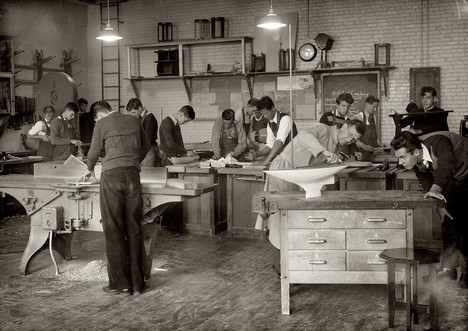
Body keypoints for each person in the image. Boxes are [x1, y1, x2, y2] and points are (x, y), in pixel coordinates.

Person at [264, 119, 366, 275]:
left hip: (299, 178)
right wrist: (325, 152)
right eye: (350, 134)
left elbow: (318, 167)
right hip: (284, 170)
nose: (349, 140)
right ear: (344, 126)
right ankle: (281, 267)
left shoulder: (336, 149)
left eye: (354, 139)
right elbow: (304, 136)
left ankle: (294, 265)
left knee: (295, 221)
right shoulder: (323, 129)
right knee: (280, 218)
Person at [82, 100, 150, 296]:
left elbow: (93, 152)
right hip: (132, 176)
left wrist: (89, 170)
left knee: (113, 229)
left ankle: (120, 284)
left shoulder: (101, 124)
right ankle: (138, 285)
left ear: (98, 116)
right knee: (134, 227)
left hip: (111, 176)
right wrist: (133, 159)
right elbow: (147, 145)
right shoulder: (134, 120)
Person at [390, 131, 468, 288]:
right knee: (449, 223)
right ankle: (448, 269)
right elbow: (426, 180)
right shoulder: (417, 159)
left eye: (402, 157)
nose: (400, 162)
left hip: (465, 174)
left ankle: (467, 275)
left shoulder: (440, 142)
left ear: (416, 152)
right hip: (450, 179)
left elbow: (446, 167)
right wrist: (439, 207)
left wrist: (435, 189)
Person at [252, 96, 297, 166]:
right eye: (263, 115)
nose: (265, 116)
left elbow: (278, 143)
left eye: (266, 113)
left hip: (293, 156)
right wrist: (256, 154)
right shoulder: (270, 123)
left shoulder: (285, 119)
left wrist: (264, 163)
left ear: (273, 108)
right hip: (283, 155)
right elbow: (270, 146)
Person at [126, 98, 160, 167]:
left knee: (147, 175)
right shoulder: (140, 118)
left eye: (134, 112)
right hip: (143, 151)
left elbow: (147, 141)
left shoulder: (149, 118)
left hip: (149, 151)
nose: (133, 115)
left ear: (140, 108)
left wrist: (137, 158)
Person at [352, 95, 383, 161]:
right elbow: (352, 138)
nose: (375, 109)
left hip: (373, 154)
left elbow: (373, 136)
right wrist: (363, 146)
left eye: (376, 107)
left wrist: (380, 144)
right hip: (361, 154)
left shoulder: (374, 118)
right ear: (367, 104)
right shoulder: (357, 117)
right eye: (374, 107)